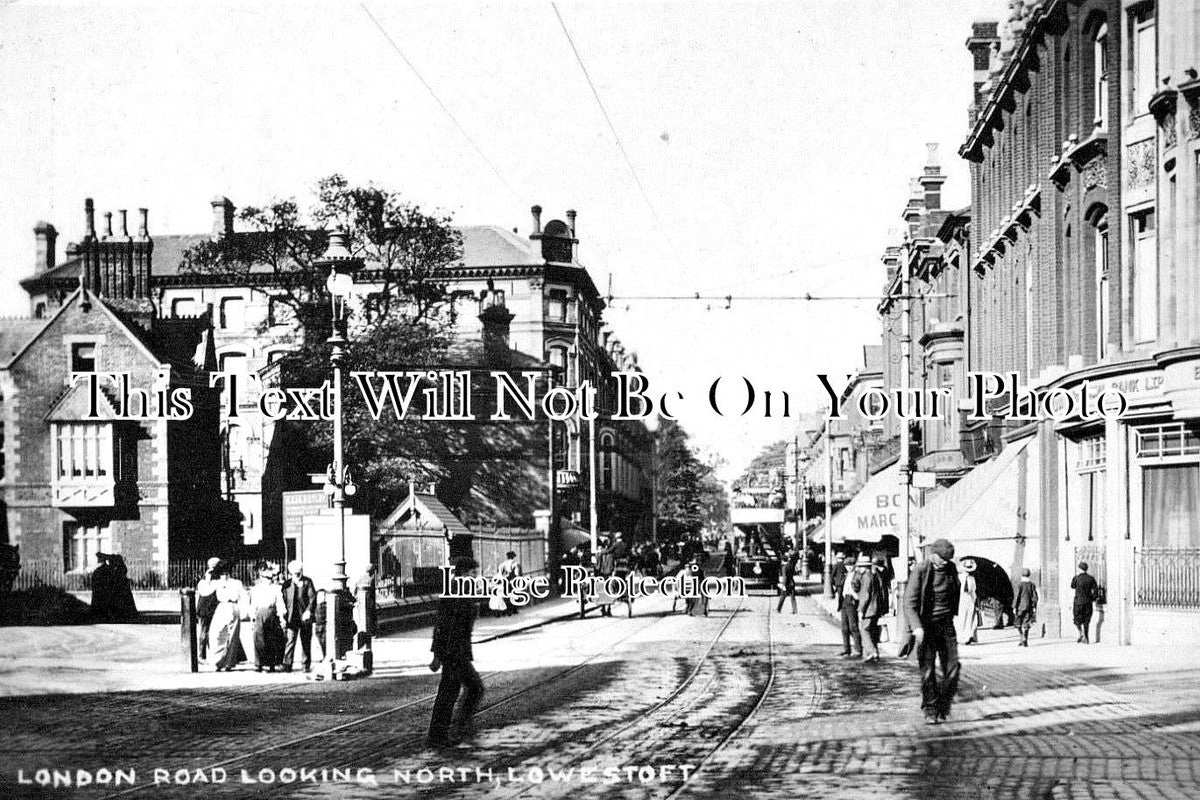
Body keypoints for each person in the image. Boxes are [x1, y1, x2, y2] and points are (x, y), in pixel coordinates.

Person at [428, 557, 485, 748]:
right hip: (453, 653)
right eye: (472, 573)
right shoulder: (455, 592)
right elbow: (443, 624)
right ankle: (446, 732)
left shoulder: (463, 591)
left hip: (456, 651)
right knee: (458, 691)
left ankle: (446, 731)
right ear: (462, 573)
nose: (475, 577)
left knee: (455, 691)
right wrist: (438, 654)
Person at [905, 538, 961, 724]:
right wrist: (917, 627)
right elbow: (909, 602)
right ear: (933, 555)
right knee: (928, 671)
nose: (945, 563)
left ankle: (943, 705)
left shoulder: (951, 569)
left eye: (948, 560)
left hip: (946, 625)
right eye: (942, 560)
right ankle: (930, 709)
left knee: (953, 668)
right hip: (926, 626)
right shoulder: (921, 570)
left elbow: (956, 590)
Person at [209, 564, 248, 672]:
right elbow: (205, 590)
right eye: (221, 573)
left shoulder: (236, 583)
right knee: (218, 634)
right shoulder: (216, 583)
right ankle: (218, 661)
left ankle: (229, 663)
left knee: (233, 636)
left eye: (226, 572)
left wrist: (244, 611)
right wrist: (208, 575)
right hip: (222, 607)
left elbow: (244, 596)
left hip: (233, 607)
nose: (224, 575)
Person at [248, 564, 287, 672]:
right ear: (261, 578)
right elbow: (253, 605)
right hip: (260, 613)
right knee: (258, 638)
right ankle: (259, 663)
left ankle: (271, 664)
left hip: (271, 614)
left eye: (270, 578)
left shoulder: (276, 589)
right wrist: (252, 618)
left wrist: (282, 617)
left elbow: (280, 603)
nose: (268, 580)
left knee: (271, 639)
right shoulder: (256, 589)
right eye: (266, 578)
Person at [281, 560, 317, 672]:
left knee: (306, 642)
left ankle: (305, 665)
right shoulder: (286, 584)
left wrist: (309, 611)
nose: (297, 575)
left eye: (299, 572)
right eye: (295, 573)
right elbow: (283, 599)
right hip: (292, 618)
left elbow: (312, 598)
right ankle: (287, 664)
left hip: (305, 617)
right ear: (291, 573)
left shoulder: (307, 582)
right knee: (290, 641)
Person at [859, 555, 888, 662]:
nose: (859, 569)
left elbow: (865, 595)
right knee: (872, 630)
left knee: (865, 630)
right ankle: (872, 653)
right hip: (876, 607)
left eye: (861, 567)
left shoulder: (866, 577)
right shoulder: (875, 575)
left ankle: (872, 652)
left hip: (869, 609)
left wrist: (861, 610)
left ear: (865, 567)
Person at [196, 557, 222, 660]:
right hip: (210, 607)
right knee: (207, 630)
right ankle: (202, 654)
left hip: (203, 606)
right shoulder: (215, 576)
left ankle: (202, 654)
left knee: (204, 629)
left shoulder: (205, 575)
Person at [838, 554, 862, 658]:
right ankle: (846, 648)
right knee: (844, 626)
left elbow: (859, 587)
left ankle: (858, 649)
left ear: (854, 565)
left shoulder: (857, 575)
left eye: (850, 565)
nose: (849, 567)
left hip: (852, 599)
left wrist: (856, 596)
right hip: (845, 599)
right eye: (847, 565)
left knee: (853, 626)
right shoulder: (847, 575)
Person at [1070, 561, 1099, 644]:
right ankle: (1086, 637)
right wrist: (1092, 598)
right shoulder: (1091, 578)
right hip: (1088, 602)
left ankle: (1081, 633)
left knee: (1077, 619)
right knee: (1086, 620)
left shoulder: (1076, 578)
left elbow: (1072, 586)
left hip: (1078, 602)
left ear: (1079, 569)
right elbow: (1096, 590)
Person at [956, 558, 981, 645]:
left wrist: (974, 600)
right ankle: (960, 637)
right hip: (961, 598)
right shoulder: (959, 577)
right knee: (961, 618)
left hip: (969, 598)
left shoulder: (971, 579)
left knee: (970, 618)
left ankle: (968, 636)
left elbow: (973, 590)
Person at [1014, 567, 1038, 647]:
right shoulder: (1032, 585)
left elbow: (1017, 596)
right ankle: (1025, 640)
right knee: (1027, 623)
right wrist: (1034, 606)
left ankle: (1021, 637)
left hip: (1020, 607)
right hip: (1029, 607)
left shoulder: (1019, 584)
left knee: (1018, 623)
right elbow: (1035, 597)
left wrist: (1014, 606)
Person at [90, 553, 115, 621]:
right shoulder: (106, 569)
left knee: (102, 603)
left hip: (102, 589)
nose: (98, 560)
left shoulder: (101, 569)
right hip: (101, 589)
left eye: (99, 559)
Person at [497, 551, 522, 616]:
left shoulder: (502, 564)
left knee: (505, 595)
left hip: (504, 582)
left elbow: (499, 574)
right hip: (512, 582)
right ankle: (514, 610)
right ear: (513, 556)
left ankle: (507, 610)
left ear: (507, 557)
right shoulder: (516, 564)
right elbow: (517, 574)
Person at [777, 547, 800, 614]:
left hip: (787, 583)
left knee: (782, 596)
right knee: (792, 597)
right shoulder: (791, 565)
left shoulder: (784, 567)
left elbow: (785, 576)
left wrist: (783, 585)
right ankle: (795, 611)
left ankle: (778, 609)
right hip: (792, 583)